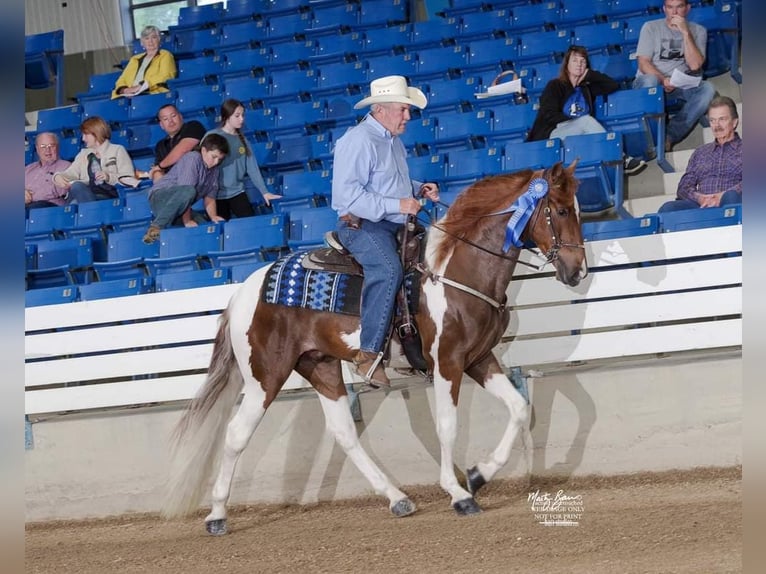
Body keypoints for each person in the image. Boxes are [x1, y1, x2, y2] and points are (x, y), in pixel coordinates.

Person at [331, 75, 440, 388]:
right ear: (380, 110)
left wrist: (419, 189)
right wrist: (400, 203)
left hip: (394, 221)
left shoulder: (392, 140)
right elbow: (347, 197)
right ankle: (368, 355)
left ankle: (417, 345)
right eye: (402, 110)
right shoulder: (358, 140)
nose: (408, 116)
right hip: (362, 224)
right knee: (388, 268)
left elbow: (391, 183)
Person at [527, 45, 647, 175]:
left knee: (586, 124)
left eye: (582, 61)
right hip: (554, 135)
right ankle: (621, 159)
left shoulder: (586, 89)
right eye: (574, 60)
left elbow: (612, 85)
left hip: (579, 135)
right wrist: (575, 122)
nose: (579, 64)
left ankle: (610, 164)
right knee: (586, 121)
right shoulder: (555, 85)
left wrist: (590, 74)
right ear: (566, 64)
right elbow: (548, 114)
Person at [633, 0, 716, 152]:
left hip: (679, 83)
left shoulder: (698, 31)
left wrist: (685, 32)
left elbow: (695, 65)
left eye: (679, 7)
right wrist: (662, 79)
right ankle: (651, 137)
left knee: (708, 89)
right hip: (651, 83)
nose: (674, 12)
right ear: (664, 9)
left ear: (688, 9)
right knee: (650, 80)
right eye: (670, 7)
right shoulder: (651, 27)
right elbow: (643, 63)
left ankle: (669, 136)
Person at [143, 133, 229, 244]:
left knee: (205, 226)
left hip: (179, 206)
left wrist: (213, 217)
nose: (216, 162)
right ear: (203, 150)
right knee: (189, 192)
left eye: (219, 159)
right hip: (161, 197)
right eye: (214, 157)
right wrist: (187, 221)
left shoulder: (215, 170)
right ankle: (156, 227)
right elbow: (186, 191)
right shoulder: (192, 158)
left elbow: (210, 198)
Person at [658, 96, 741, 212]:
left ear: (734, 122)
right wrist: (700, 198)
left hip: (734, 203)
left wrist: (722, 196)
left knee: (731, 197)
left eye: (722, 119)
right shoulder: (700, 153)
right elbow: (684, 187)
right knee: (668, 209)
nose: (717, 126)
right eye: (712, 120)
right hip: (702, 206)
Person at [203, 99, 281, 218]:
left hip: (237, 192)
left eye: (243, 115)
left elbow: (252, 169)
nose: (242, 119)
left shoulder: (244, 141)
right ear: (226, 116)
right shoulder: (211, 136)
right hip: (215, 196)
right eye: (237, 116)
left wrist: (264, 192)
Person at [52, 116, 137, 204]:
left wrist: (108, 177)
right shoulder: (83, 154)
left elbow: (128, 178)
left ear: (96, 133)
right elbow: (71, 172)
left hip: (108, 195)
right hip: (86, 193)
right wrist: (58, 177)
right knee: (75, 195)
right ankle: (90, 212)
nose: (83, 139)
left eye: (86, 134)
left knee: (75, 198)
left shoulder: (117, 150)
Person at [111, 25, 176, 99]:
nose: (150, 41)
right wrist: (124, 90)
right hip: (129, 95)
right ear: (142, 42)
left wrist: (142, 86)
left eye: (154, 37)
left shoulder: (165, 55)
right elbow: (122, 79)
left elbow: (166, 76)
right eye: (147, 38)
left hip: (152, 93)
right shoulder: (134, 59)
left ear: (159, 40)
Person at [148, 104, 207, 182]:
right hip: (174, 183)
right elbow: (159, 169)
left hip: (197, 178)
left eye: (173, 116)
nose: (170, 121)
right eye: (165, 119)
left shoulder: (193, 126)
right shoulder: (160, 145)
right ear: (161, 125)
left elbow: (184, 149)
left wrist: (160, 166)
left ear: (180, 117)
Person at [25, 132, 71, 209]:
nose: (47, 150)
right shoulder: (28, 169)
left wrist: (30, 197)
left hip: (50, 207)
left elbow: (60, 191)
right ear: (37, 148)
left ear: (58, 147)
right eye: (43, 146)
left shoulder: (66, 166)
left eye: (52, 145)